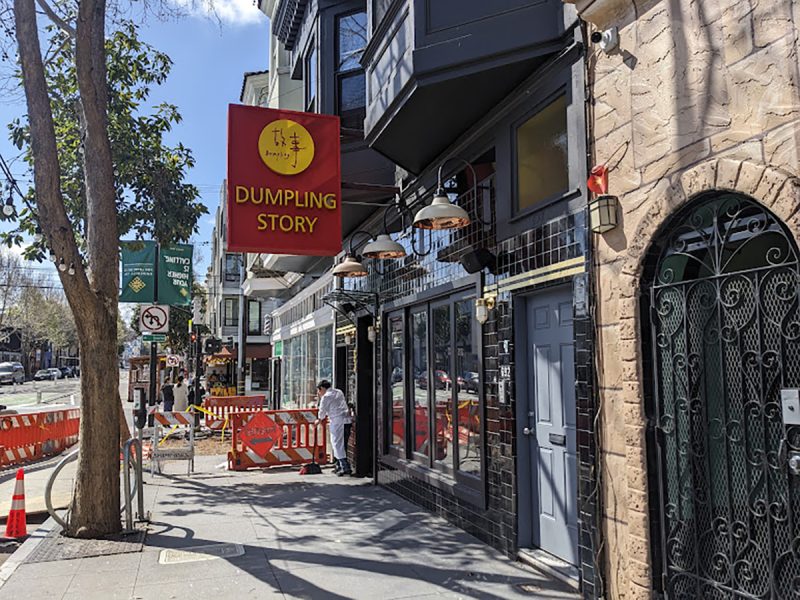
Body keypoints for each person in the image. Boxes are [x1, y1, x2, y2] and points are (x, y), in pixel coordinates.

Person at [315, 380, 352, 476]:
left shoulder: (326, 397)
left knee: (337, 444)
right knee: (343, 444)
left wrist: (319, 419)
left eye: (319, 391)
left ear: (322, 388)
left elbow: (322, 411)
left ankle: (344, 467)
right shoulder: (339, 392)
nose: (319, 393)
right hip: (347, 421)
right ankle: (339, 465)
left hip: (337, 422)